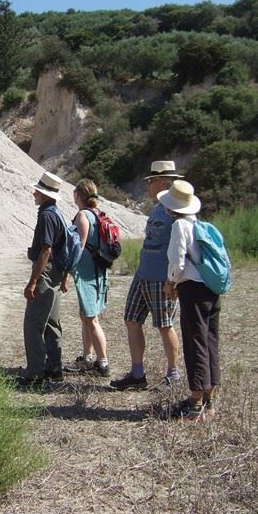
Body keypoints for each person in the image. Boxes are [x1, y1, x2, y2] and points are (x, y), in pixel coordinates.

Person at [111, 161, 182, 391]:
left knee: (164, 325)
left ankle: (173, 374)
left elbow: (182, 246)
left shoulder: (176, 209)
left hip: (162, 278)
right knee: (131, 320)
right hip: (143, 275)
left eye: (151, 181)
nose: (148, 186)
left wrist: (173, 280)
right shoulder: (156, 208)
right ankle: (137, 373)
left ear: (164, 182)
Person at [159, 180, 221, 420]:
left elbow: (177, 262)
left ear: (171, 207)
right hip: (211, 288)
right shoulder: (200, 224)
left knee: (194, 342)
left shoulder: (179, 226)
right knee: (209, 341)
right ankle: (209, 399)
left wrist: (171, 283)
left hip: (192, 289)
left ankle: (195, 403)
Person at [21, 171, 67, 386]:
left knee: (32, 324)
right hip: (56, 272)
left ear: (44, 194)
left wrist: (33, 281)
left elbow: (46, 250)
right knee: (51, 322)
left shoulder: (47, 216)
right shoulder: (56, 213)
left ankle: (35, 374)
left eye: (37, 191)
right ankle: (54, 368)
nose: (34, 193)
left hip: (46, 273)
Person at [61, 179, 110, 376]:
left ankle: (103, 363)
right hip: (98, 271)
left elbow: (78, 247)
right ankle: (88, 357)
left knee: (91, 319)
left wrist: (66, 272)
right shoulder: (97, 214)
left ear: (78, 196)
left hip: (87, 273)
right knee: (87, 316)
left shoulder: (82, 215)